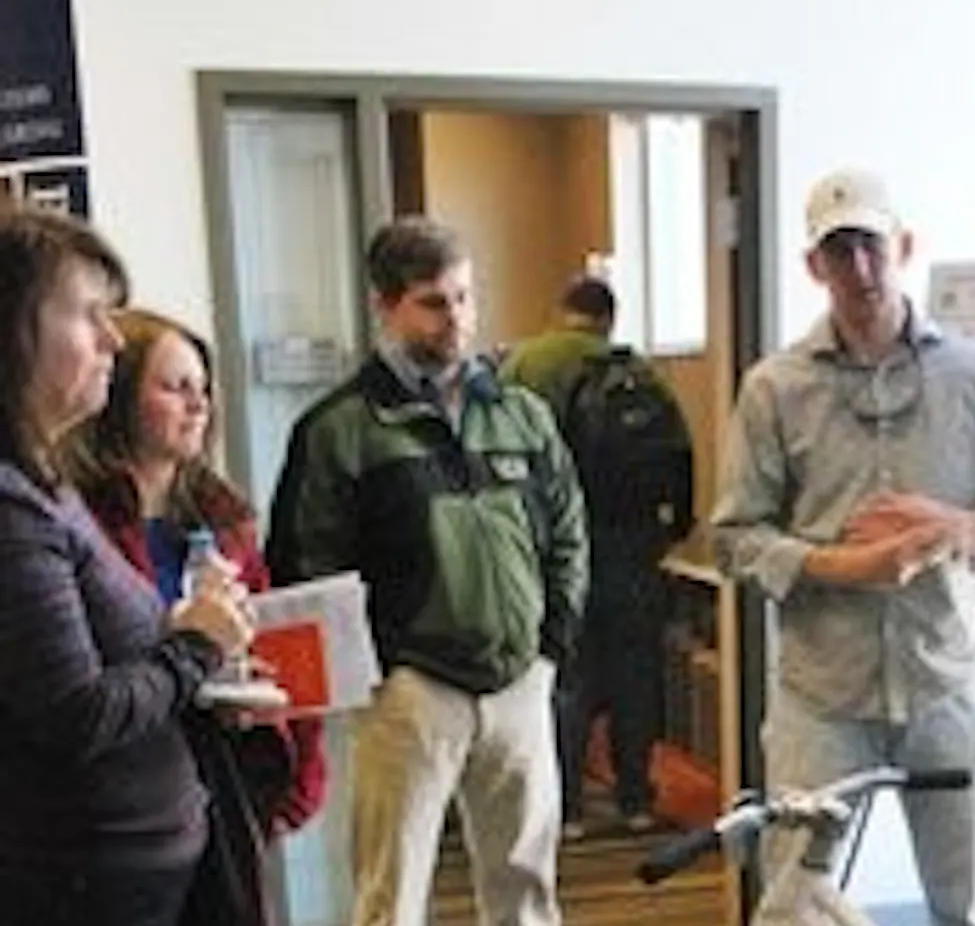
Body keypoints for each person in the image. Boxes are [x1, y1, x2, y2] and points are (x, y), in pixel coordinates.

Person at [712, 169, 975, 926]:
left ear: (905, 245)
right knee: (792, 905)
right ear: (813, 265)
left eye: (872, 246)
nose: (859, 270)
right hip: (821, 696)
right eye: (839, 251)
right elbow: (733, 538)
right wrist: (842, 565)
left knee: (964, 905)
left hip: (943, 681)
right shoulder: (773, 388)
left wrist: (963, 529)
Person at [265, 216, 589, 926]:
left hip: (519, 685)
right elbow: (303, 563)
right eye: (435, 302)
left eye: (467, 298)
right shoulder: (338, 427)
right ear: (385, 305)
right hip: (411, 693)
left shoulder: (523, 415)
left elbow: (567, 532)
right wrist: (375, 673)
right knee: (392, 896)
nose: (459, 319)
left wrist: (551, 648)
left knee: (527, 893)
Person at [0, 208, 254, 926]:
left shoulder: (42, 482)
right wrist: (196, 644)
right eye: (89, 315)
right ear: (16, 327)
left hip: (136, 865)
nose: (113, 337)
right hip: (84, 880)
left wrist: (181, 634)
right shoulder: (12, 505)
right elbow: (74, 713)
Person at [67, 307, 328, 923]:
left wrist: (299, 769)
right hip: (121, 799)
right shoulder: (78, 520)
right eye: (174, 387)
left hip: (226, 780)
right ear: (120, 394)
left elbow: (270, 640)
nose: (198, 404)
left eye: (203, 389)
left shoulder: (222, 516)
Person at [503, 275, 694, 839]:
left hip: (558, 551)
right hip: (633, 546)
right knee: (636, 672)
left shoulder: (526, 366)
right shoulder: (639, 371)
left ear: (562, 311)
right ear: (610, 317)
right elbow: (680, 457)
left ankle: (566, 808)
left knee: (568, 675)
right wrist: (670, 533)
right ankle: (635, 798)